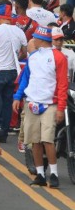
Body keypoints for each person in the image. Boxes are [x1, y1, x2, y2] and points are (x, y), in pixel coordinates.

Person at [13, 26, 68, 188]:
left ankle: (54, 173)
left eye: (34, 38)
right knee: (35, 141)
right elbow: (25, 79)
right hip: (32, 103)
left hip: (50, 104)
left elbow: (63, 85)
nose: (32, 41)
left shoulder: (59, 58)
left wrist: (60, 108)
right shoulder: (33, 57)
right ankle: (40, 174)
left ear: (41, 40)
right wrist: (18, 97)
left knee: (47, 140)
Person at [0, 3, 27, 141]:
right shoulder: (19, 31)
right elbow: (24, 53)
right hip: (13, 72)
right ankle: (4, 133)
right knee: (7, 103)